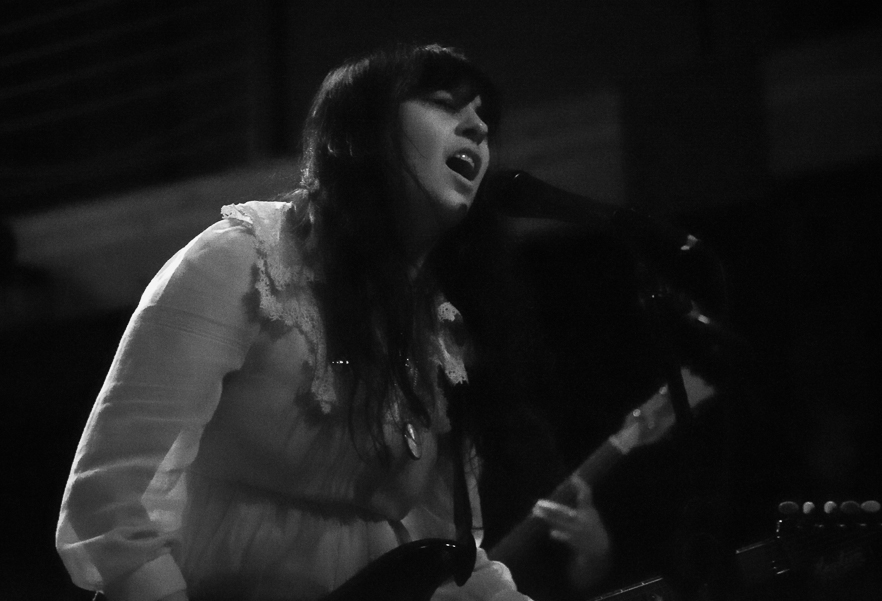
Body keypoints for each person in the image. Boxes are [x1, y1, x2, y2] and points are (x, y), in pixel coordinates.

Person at [55, 43, 610, 601]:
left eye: (483, 117)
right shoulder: (244, 260)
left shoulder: (441, 332)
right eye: (445, 104)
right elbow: (106, 502)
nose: (478, 127)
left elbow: (448, 558)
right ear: (361, 131)